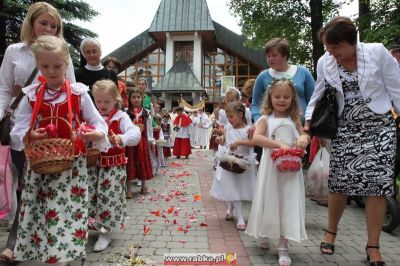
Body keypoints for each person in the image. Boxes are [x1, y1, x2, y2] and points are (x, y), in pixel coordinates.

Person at [304, 17, 400, 265]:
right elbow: (318, 94)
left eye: (335, 48)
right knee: (339, 183)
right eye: (327, 48)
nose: (331, 53)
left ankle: (373, 246)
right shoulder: (326, 62)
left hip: (380, 128)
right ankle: (331, 232)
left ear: (351, 42)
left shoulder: (377, 53)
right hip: (345, 128)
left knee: (378, 186)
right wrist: (307, 123)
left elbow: (397, 89)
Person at [10, 35, 109, 264]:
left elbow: (99, 123)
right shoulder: (33, 94)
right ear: (38, 65)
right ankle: (49, 253)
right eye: (45, 66)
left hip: (71, 166)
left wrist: (95, 134)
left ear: (66, 64)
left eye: (57, 66)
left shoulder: (78, 93)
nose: (51, 71)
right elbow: (20, 126)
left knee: (68, 210)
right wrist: (30, 134)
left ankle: (65, 254)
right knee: (44, 210)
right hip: (41, 166)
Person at [0, 2, 76, 262]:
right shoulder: (14, 51)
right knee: (25, 187)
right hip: (23, 129)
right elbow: (3, 88)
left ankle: (46, 241)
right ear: (31, 22)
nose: (49, 29)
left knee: (48, 187)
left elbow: (73, 90)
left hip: (55, 130)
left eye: (54, 26)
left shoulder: (62, 52)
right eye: (44, 23)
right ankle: (18, 243)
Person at [245, 79, 309, 266]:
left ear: (293, 99)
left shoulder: (294, 119)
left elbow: (303, 134)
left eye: (286, 97)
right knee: (270, 199)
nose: (282, 100)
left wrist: (304, 138)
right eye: (277, 96)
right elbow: (257, 138)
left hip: (291, 171)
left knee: (287, 203)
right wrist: (279, 144)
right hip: (272, 169)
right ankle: (265, 232)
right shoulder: (266, 119)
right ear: (270, 98)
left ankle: (283, 246)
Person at [89, 80, 140, 252]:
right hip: (92, 164)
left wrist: (121, 138)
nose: (102, 105)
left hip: (112, 167)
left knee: (107, 199)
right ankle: (92, 227)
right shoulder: (92, 115)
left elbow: (135, 134)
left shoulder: (121, 116)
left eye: (106, 102)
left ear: (116, 99)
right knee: (90, 196)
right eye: (98, 101)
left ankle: (105, 234)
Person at [210, 102, 257, 230]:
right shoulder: (228, 127)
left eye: (231, 117)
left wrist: (240, 142)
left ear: (241, 115)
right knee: (234, 188)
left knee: (237, 188)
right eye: (228, 117)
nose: (229, 120)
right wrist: (220, 140)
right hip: (230, 162)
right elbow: (225, 140)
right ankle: (240, 218)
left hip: (242, 162)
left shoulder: (248, 129)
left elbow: (253, 143)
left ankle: (230, 209)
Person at [250, 37, 315, 124]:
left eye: (274, 55)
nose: (270, 59)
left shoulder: (303, 72)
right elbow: (255, 104)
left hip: (302, 127)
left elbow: (314, 100)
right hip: (271, 130)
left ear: (285, 55)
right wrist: (259, 121)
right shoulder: (262, 77)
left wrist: (309, 123)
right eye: (268, 56)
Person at [126, 88, 154, 196]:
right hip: (130, 142)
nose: (136, 99)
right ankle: (128, 189)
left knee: (142, 162)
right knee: (129, 163)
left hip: (142, 141)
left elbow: (149, 128)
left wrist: (151, 141)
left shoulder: (146, 112)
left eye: (138, 97)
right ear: (129, 98)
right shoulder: (126, 112)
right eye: (133, 97)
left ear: (142, 98)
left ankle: (143, 186)